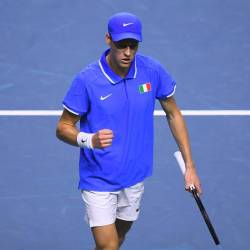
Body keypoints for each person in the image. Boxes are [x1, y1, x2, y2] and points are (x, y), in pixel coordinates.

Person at [56, 12, 202, 250]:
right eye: (121, 45)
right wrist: (89, 139)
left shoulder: (152, 71)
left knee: (118, 239)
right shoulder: (87, 80)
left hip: (135, 176)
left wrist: (190, 167)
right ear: (108, 40)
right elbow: (62, 128)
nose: (127, 53)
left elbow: (173, 113)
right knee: (109, 246)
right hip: (98, 178)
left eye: (133, 46)